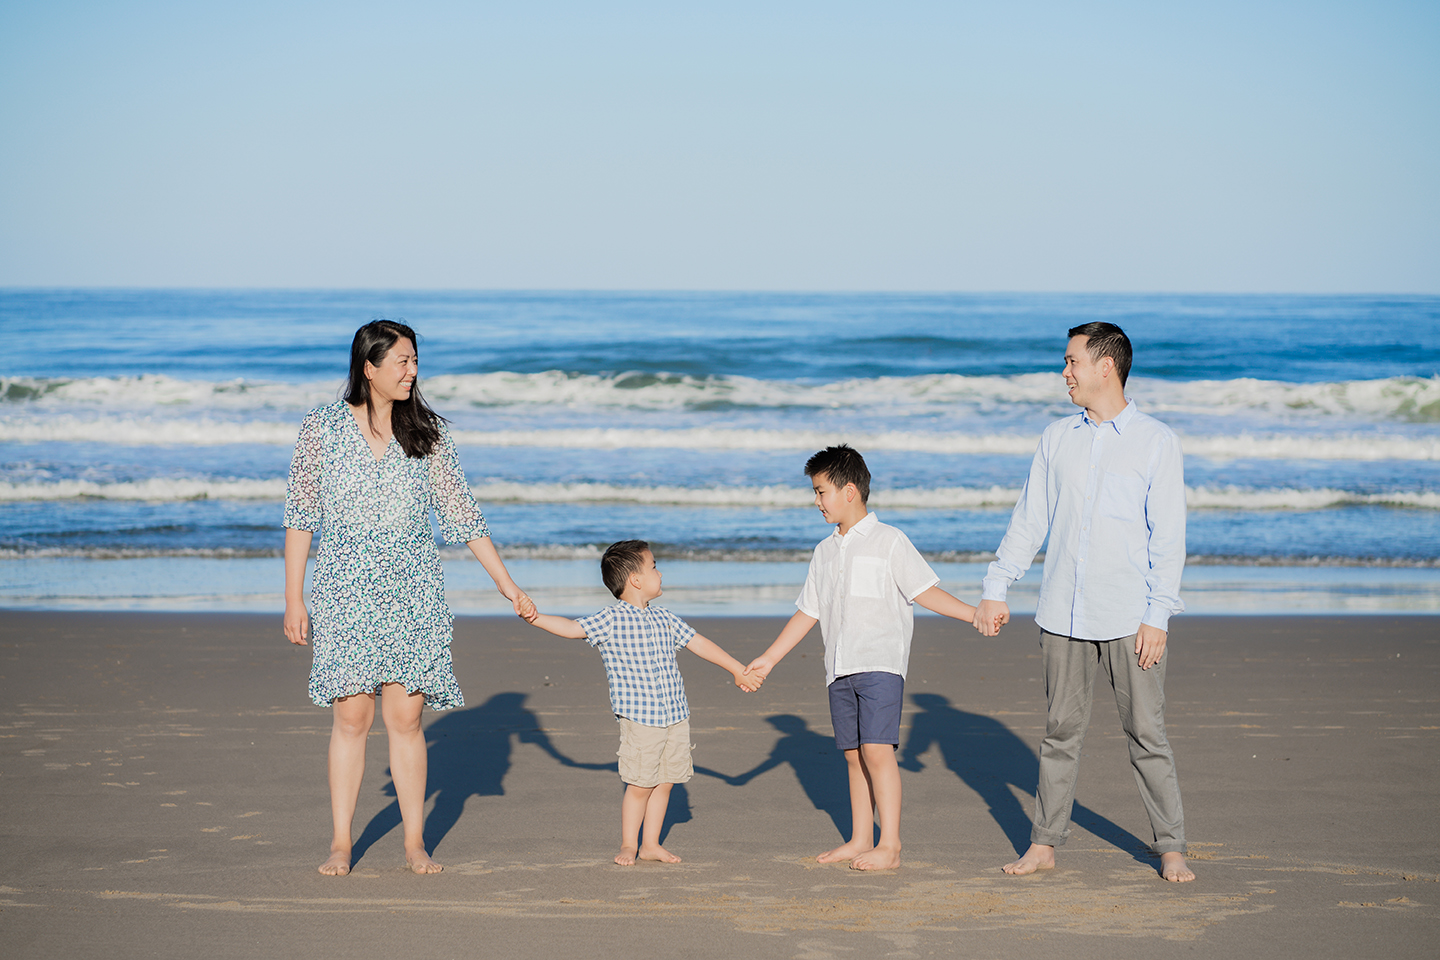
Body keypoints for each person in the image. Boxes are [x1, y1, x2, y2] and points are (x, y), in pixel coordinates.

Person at [282, 320, 534, 877]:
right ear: (368, 368)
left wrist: (507, 584)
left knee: (406, 718)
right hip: (344, 588)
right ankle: (342, 842)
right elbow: (301, 517)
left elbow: (462, 515)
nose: (411, 371)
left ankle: (415, 842)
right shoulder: (320, 428)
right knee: (351, 717)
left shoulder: (429, 431)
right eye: (400, 361)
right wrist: (293, 598)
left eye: (415, 360)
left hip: (413, 589)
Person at [974, 322, 1194, 882]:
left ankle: (1170, 846)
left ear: (1106, 367)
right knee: (1059, 733)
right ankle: (1045, 843)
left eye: (1072, 361)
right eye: (1066, 362)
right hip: (1061, 613)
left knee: (1147, 734)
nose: (1064, 372)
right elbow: (1031, 519)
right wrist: (997, 585)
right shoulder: (1057, 437)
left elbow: (1168, 539)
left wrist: (1157, 616)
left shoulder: (1156, 442)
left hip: (1131, 618)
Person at [743, 445, 977, 871]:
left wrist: (973, 613)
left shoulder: (889, 541)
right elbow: (808, 611)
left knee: (876, 750)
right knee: (853, 754)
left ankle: (890, 844)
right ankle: (859, 838)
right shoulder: (824, 551)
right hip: (838, 667)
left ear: (849, 491)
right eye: (814, 493)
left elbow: (923, 590)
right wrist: (770, 658)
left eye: (821, 492)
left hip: (880, 664)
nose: (817, 502)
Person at [525, 540, 761, 866]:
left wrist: (736, 668)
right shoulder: (611, 619)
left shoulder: (665, 617)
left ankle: (650, 844)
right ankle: (628, 843)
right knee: (639, 784)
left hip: (675, 713)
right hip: (640, 717)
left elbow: (699, 643)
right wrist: (535, 617)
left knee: (665, 782)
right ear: (635, 580)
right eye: (653, 567)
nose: (659, 573)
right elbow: (571, 627)